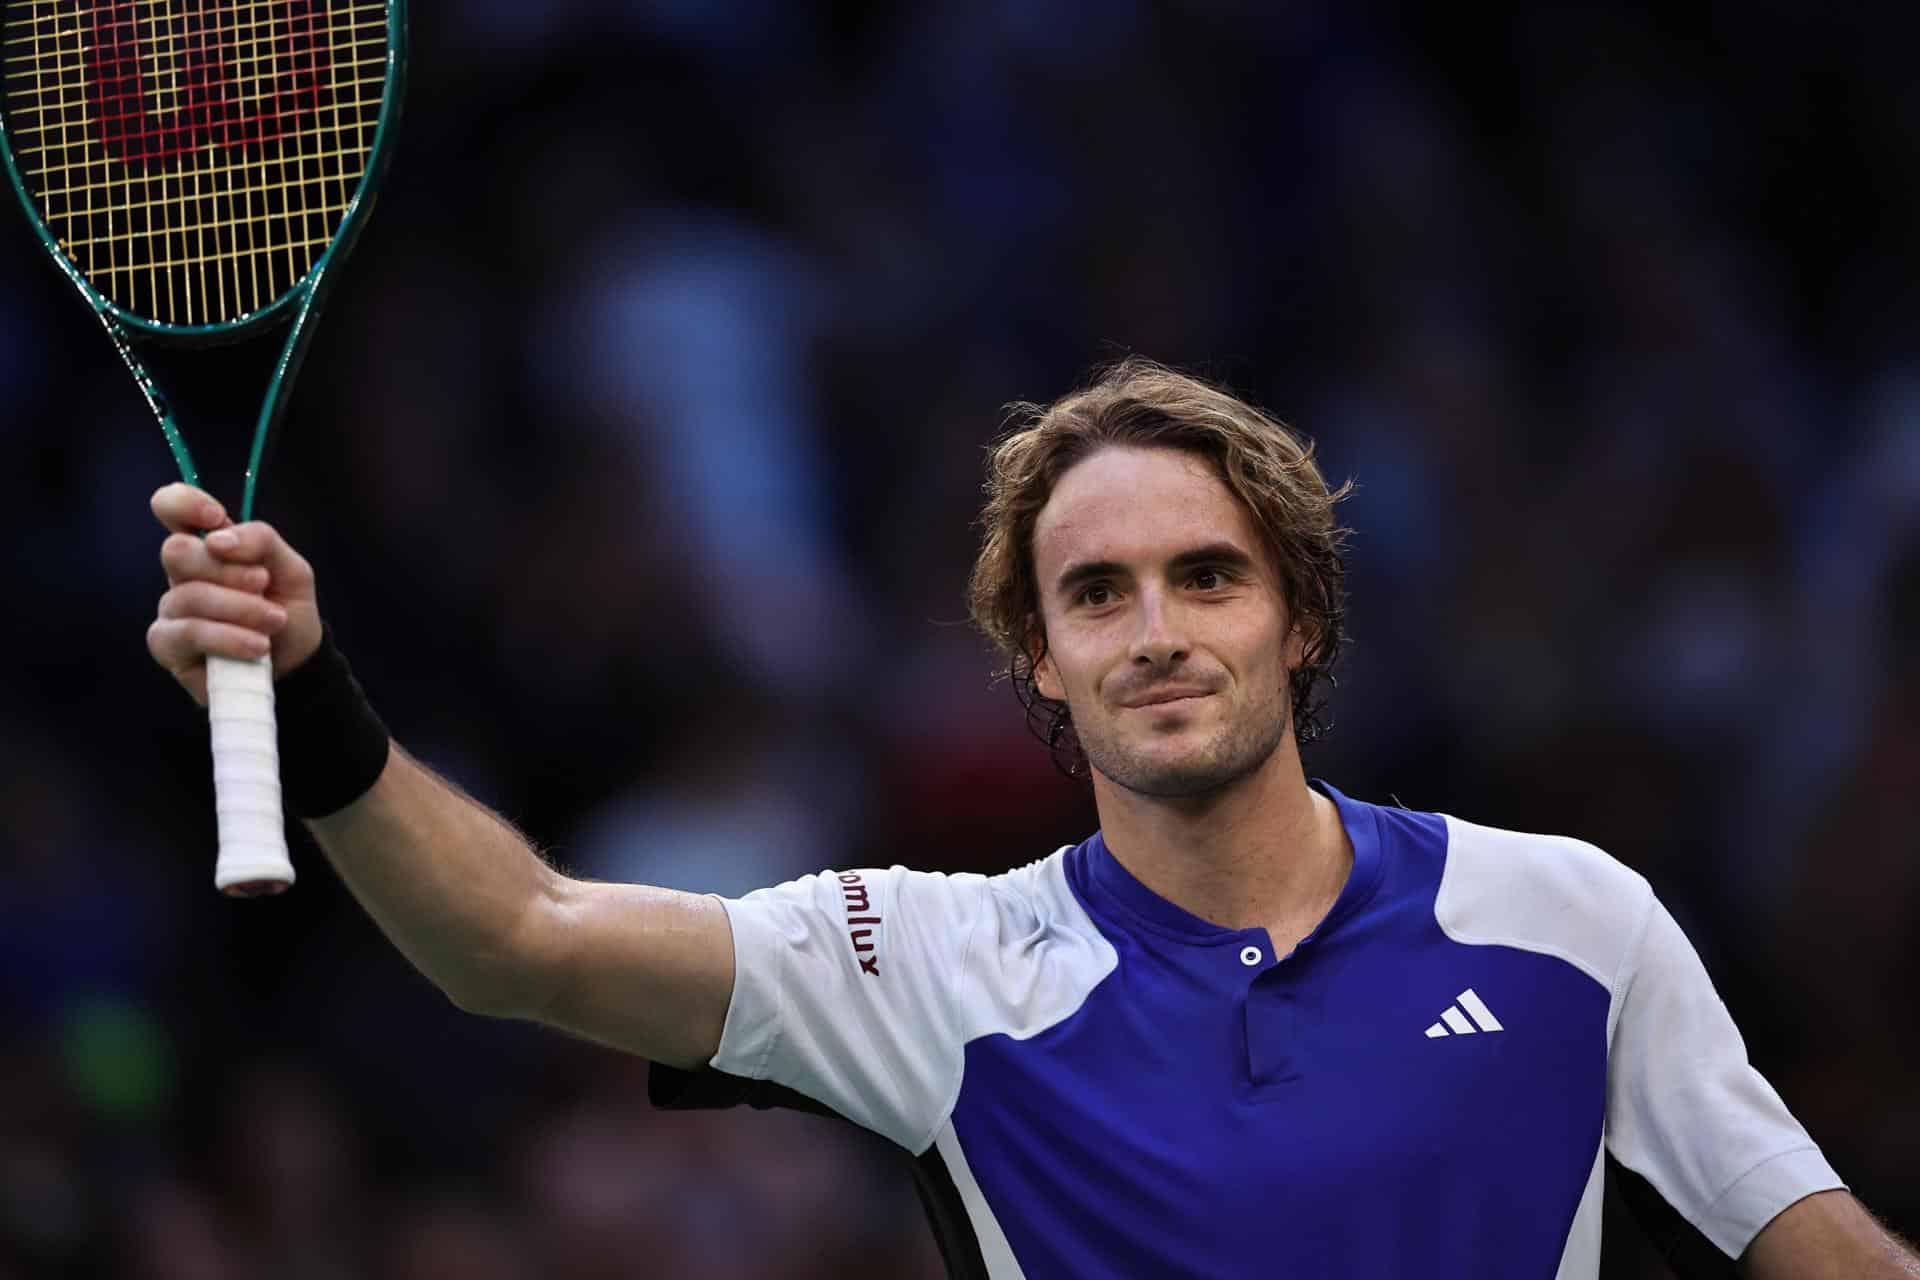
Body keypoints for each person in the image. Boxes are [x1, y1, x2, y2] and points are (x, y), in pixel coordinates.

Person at [147, 360, 1915, 1278]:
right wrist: (310, 693)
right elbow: (515, 939)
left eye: (1207, 578)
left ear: (1302, 619)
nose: (1156, 631)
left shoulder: (1570, 922)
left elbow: (1816, 1253)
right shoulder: (938, 963)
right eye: (1099, 596)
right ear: (1039, 665)